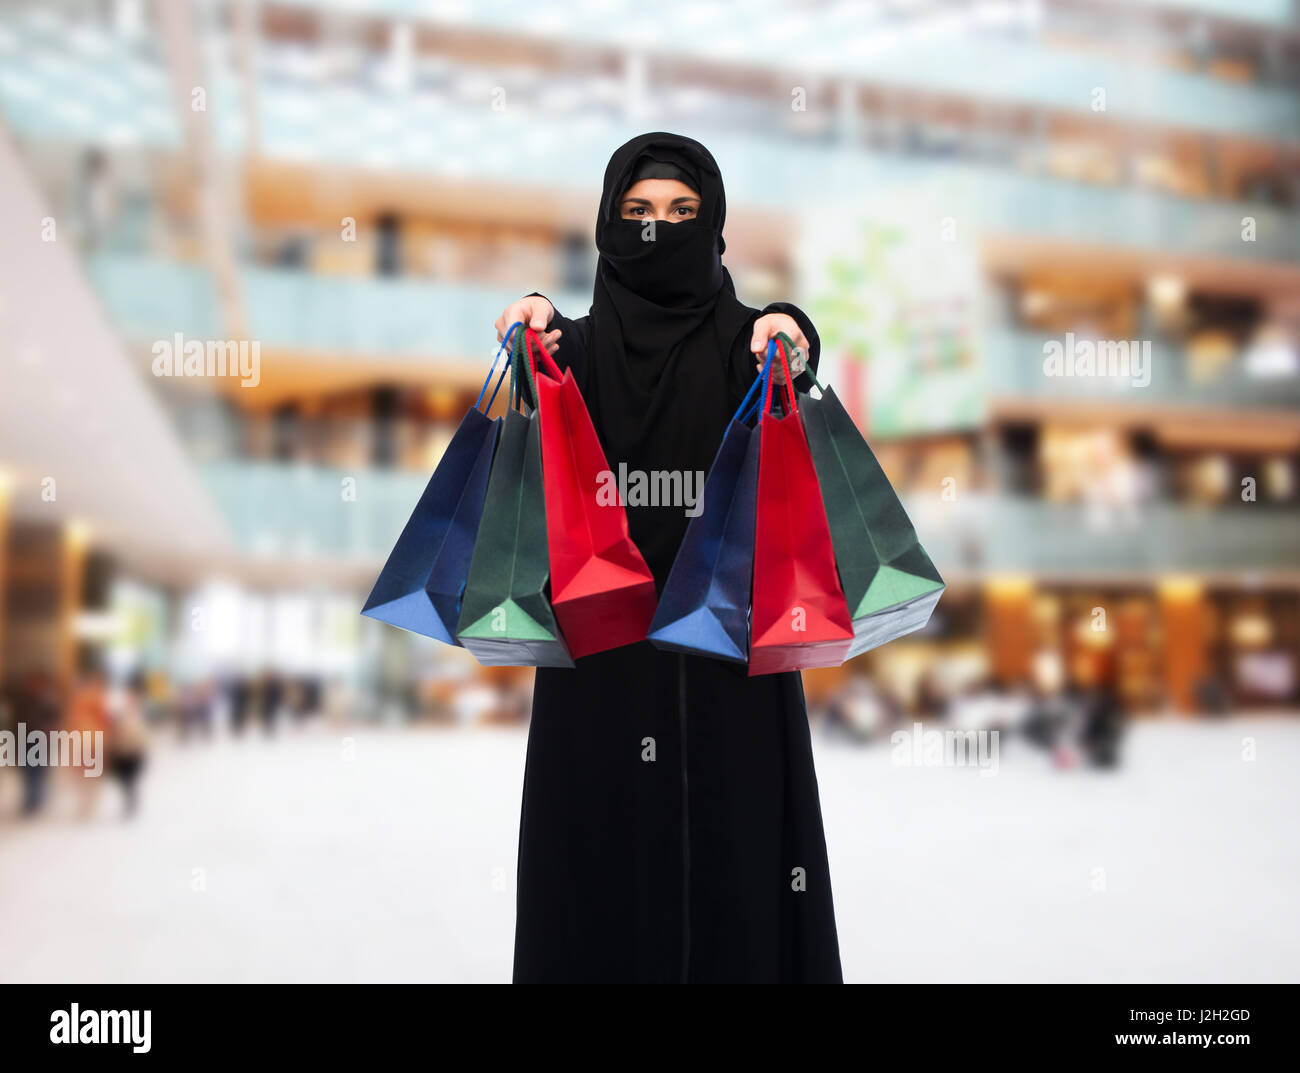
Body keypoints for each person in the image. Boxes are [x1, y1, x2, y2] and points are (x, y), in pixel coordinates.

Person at [495, 132, 841, 984]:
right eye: (639, 212)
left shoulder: (740, 347)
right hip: (601, 666)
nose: (660, 229)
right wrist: (531, 316)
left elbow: (783, 340)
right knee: (600, 873)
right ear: (610, 223)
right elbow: (538, 349)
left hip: (726, 664)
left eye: (683, 213)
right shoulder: (574, 353)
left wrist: (791, 332)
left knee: (739, 875)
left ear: (714, 224)